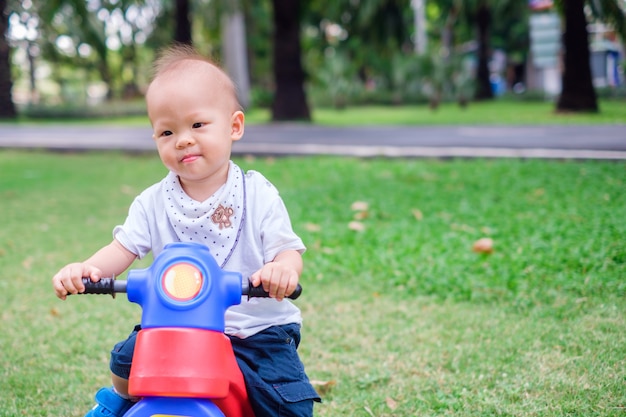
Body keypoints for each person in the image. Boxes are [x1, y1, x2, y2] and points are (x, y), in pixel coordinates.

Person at [51, 44, 320, 417]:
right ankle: (124, 402)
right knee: (127, 361)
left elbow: (287, 250)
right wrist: (87, 269)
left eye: (197, 125)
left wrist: (283, 270)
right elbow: (121, 249)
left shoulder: (257, 193)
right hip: (174, 328)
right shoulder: (152, 202)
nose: (183, 140)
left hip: (255, 330)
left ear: (234, 126)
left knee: (286, 404)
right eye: (166, 131)